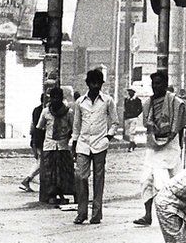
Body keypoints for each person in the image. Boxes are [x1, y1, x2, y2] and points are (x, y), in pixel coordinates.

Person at [134, 71, 186, 226]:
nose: (155, 86)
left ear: (165, 85)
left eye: (158, 83)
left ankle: (171, 215)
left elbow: (181, 126)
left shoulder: (176, 103)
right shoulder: (147, 104)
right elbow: (148, 125)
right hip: (153, 146)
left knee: (167, 182)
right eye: (153, 83)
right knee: (146, 179)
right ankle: (147, 215)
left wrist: (176, 143)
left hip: (170, 146)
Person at [71, 68, 117, 224]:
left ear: (102, 84)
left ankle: (96, 213)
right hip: (83, 144)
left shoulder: (108, 101)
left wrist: (108, 137)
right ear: (88, 84)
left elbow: (114, 121)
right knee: (81, 176)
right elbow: (76, 125)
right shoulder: (79, 103)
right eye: (93, 83)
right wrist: (74, 143)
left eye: (98, 83)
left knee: (99, 179)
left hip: (100, 144)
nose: (96, 86)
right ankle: (81, 212)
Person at [36, 87, 75, 204]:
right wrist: (37, 146)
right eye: (54, 98)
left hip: (63, 147)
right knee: (49, 172)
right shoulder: (46, 112)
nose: (56, 100)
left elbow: (73, 129)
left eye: (58, 98)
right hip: (49, 146)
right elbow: (39, 128)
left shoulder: (69, 112)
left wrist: (71, 143)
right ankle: (50, 195)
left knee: (63, 173)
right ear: (50, 98)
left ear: (62, 98)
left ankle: (63, 195)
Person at [19, 94, 46, 192]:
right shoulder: (44, 111)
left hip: (36, 139)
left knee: (40, 161)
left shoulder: (36, 110)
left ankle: (29, 179)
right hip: (41, 139)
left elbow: (32, 126)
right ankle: (28, 179)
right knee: (41, 162)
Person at [122, 87, 142, 152]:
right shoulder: (126, 100)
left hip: (134, 118)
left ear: (134, 93)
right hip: (127, 118)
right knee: (127, 132)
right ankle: (133, 143)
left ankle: (130, 146)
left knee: (132, 132)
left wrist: (136, 114)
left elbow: (140, 109)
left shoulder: (137, 100)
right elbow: (125, 108)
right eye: (129, 92)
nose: (130, 93)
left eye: (131, 92)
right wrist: (125, 116)